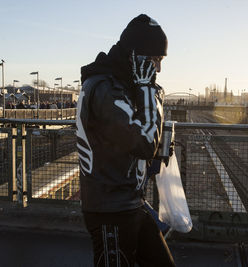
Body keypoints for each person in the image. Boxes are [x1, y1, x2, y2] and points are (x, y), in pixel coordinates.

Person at [76, 14, 175, 266]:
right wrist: (148, 91)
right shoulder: (105, 89)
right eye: (155, 60)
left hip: (129, 202)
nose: (158, 69)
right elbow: (144, 144)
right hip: (110, 209)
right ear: (135, 56)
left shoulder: (119, 85)